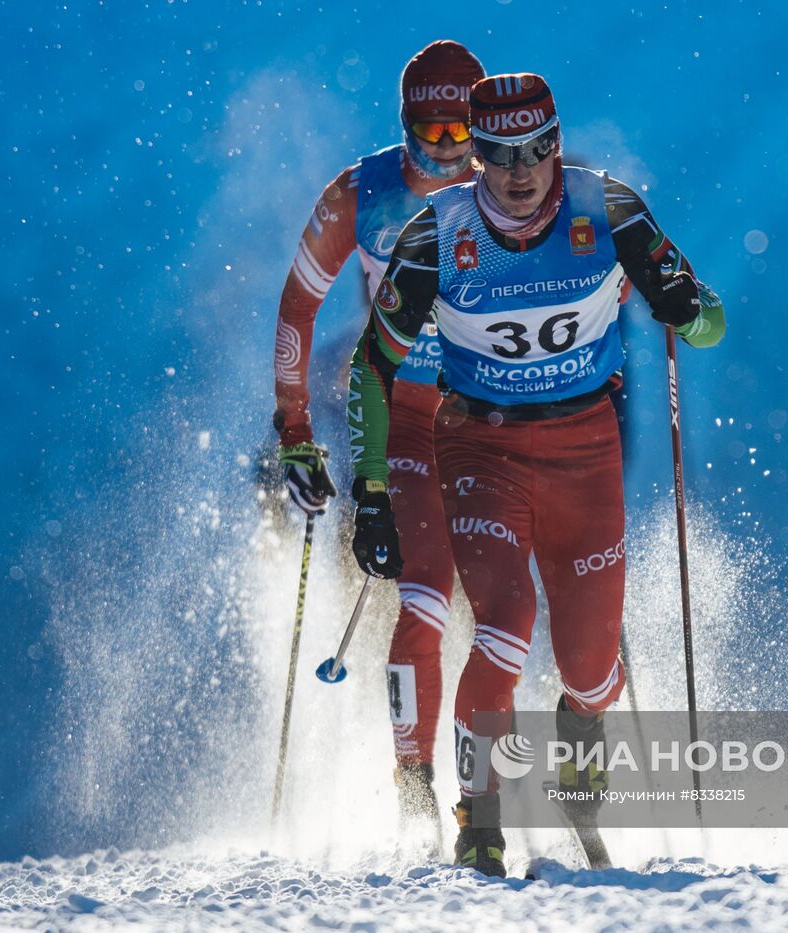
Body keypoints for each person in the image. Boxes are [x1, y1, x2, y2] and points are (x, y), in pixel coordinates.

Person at [346, 73, 725, 876]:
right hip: (479, 448)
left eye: (537, 150)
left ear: (558, 144)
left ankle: (578, 761)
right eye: (498, 154)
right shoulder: (435, 234)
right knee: (504, 625)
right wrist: (371, 488)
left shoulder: (607, 208)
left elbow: (710, 323)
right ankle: (479, 815)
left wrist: (688, 306)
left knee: (592, 672)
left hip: (583, 450)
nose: (520, 171)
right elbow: (372, 366)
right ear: (474, 157)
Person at [271, 41, 485, 838]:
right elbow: (299, 308)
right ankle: (412, 781)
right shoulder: (360, 195)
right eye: (431, 136)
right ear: (405, 131)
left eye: (464, 133)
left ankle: (502, 774)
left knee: (494, 600)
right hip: (394, 402)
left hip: (494, 410)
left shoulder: (513, 180)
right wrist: (294, 433)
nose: (450, 154)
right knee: (424, 588)